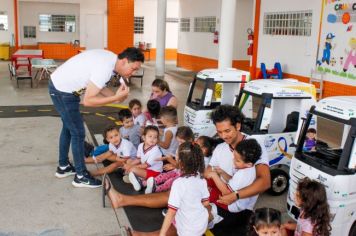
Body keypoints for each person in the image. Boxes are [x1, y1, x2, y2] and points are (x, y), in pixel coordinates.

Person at [106, 105, 271, 226]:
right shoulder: (221, 147)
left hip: (235, 204)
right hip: (217, 192)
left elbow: (264, 182)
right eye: (219, 132)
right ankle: (122, 200)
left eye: (227, 131)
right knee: (177, 192)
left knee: (188, 216)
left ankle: (131, 216)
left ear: (238, 126)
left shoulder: (253, 146)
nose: (223, 136)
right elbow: (207, 171)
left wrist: (235, 195)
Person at [49, 47, 144, 188]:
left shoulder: (111, 60)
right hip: (63, 91)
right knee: (78, 132)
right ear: (124, 61)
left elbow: (97, 85)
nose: (134, 72)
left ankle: (63, 166)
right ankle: (80, 176)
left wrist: (115, 98)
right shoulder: (105, 68)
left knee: (69, 128)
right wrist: (114, 98)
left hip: (62, 87)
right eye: (133, 68)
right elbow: (88, 101)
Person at [206, 139, 262, 234]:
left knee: (206, 196)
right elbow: (233, 181)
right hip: (237, 200)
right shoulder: (249, 170)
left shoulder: (243, 175)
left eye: (237, 160)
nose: (233, 161)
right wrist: (223, 173)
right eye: (234, 157)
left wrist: (215, 176)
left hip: (232, 207)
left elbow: (227, 194)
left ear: (249, 164)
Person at [160, 142, 209, 236]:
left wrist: (162, 234)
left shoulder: (178, 183)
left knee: (173, 209)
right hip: (201, 224)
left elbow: (171, 212)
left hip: (187, 230)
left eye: (176, 156)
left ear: (180, 162)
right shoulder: (201, 179)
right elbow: (206, 203)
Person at [144, 126, 195, 194]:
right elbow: (178, 162)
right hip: (177, 170)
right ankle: (147, 183)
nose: (180, 144)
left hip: (184, 175)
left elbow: (182, 166)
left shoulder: (190, 151)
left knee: (170, 181)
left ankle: (156, 189)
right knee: (164, 175)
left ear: (190, 140)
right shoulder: (181, 147)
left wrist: (170, 160)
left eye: (181, 142)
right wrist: (172, 165)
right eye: (178, 142)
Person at [126, 126, 163, 191]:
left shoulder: (155, 150)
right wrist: (130, 165)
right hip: (146, 169)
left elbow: (146, 165)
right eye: (150, 136)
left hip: (155, 172)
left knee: (132, 169)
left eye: (155, 137)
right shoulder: (141, 145)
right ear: (143, 137)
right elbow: (138, 159)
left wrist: (131, 167)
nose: (152, 139)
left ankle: (138, 181)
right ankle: (137, 178)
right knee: (129, 162)